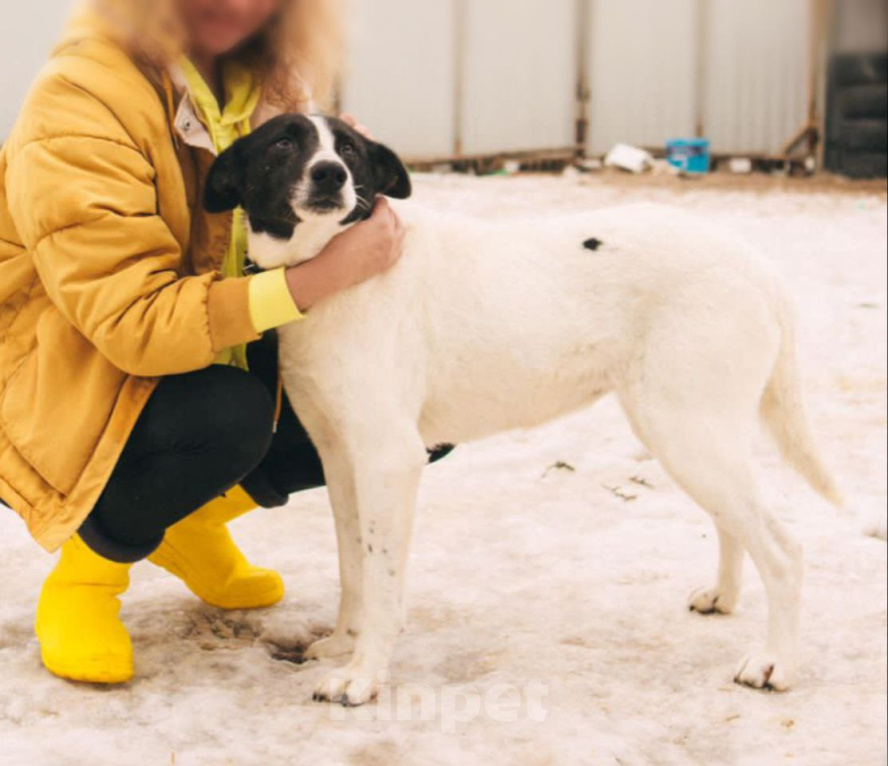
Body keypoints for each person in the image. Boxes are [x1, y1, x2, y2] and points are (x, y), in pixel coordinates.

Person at [0, 0, 440, 685]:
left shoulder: (264, 84)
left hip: (207, 338)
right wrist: (318, 278)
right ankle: (87, 579)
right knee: (224, 416)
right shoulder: (81, 98)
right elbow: (130, 323)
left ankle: (188, 524)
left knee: (410, 397)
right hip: (62, 372)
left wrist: (334, 171)